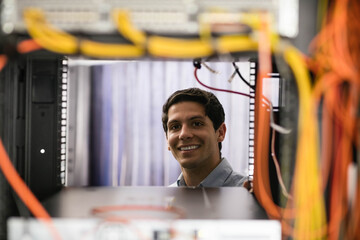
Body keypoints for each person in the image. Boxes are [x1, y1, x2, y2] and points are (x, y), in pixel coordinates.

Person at [162, 87, 247, 187]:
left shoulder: (253, 194)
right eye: (175, 127)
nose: (184, 134)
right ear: (167, 139)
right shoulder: (165, 199)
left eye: (197, 124)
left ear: (220, 132)